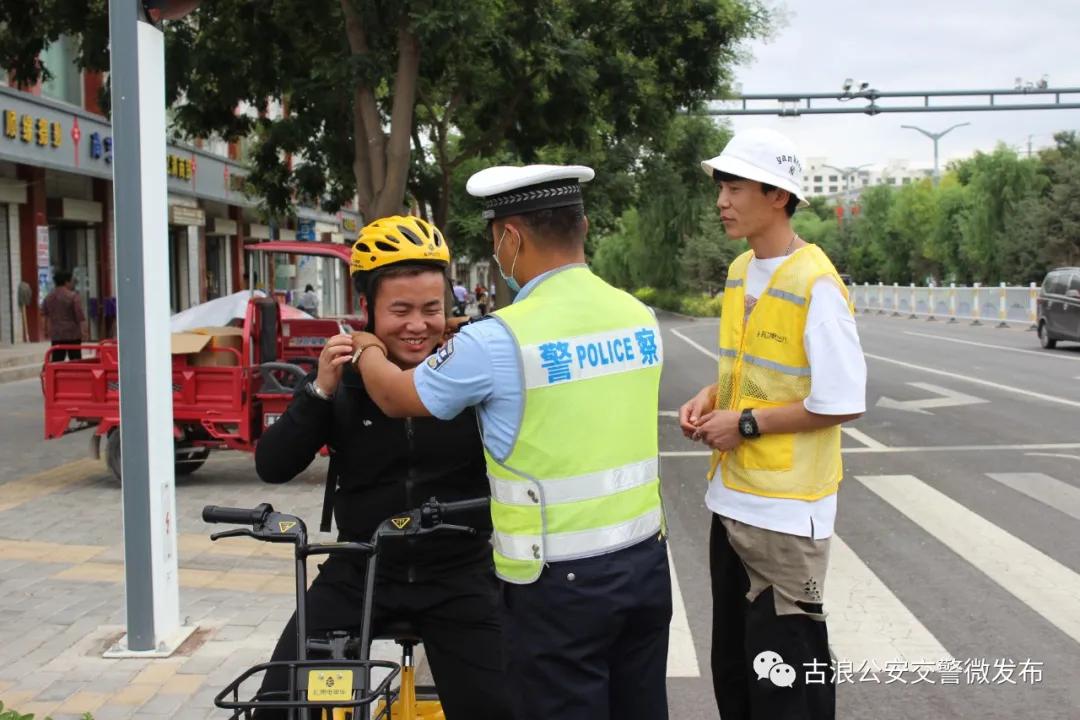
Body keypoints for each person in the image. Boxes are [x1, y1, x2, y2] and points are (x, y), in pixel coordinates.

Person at [350, 165, 672, 720]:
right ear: (584, 226)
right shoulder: (637, 318)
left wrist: (365, 351)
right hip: (644, 568)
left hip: (556, 585)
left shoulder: (499, 338)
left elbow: (400, 396)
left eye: (496, 239)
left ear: (511, 238)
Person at [252, 215, 512, 720]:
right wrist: (319, 390)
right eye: (401, 310)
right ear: (367, 308)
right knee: (280, 707)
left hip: (459, 575)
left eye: (432, 309)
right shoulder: (345, 375)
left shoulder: (470, 369)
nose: (418, 325)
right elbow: (272, 464)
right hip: (360, 569)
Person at [680, 128, 866, 720]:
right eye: (721, 188)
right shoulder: (741, 271)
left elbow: (842, 399)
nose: (722, 201)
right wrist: (712, 398)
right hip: (732, 500)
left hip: (786, 513)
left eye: (734, 187)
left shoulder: (816, 284)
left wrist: (747, 425)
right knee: (735, 670)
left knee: (789, 683)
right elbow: (753, 368)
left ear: (778, 195)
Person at [42, 270, 87, 361]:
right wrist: (84, 331)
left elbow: (44, 315)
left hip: (57, 334)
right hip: (73, 334)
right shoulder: (73, 296)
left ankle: (57, 375)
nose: (73, 284)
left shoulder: (49, 297)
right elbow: (79, 316)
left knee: (57, 359)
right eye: (72, 281)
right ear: (66, 282)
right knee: (75, 360)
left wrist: (46, 330)